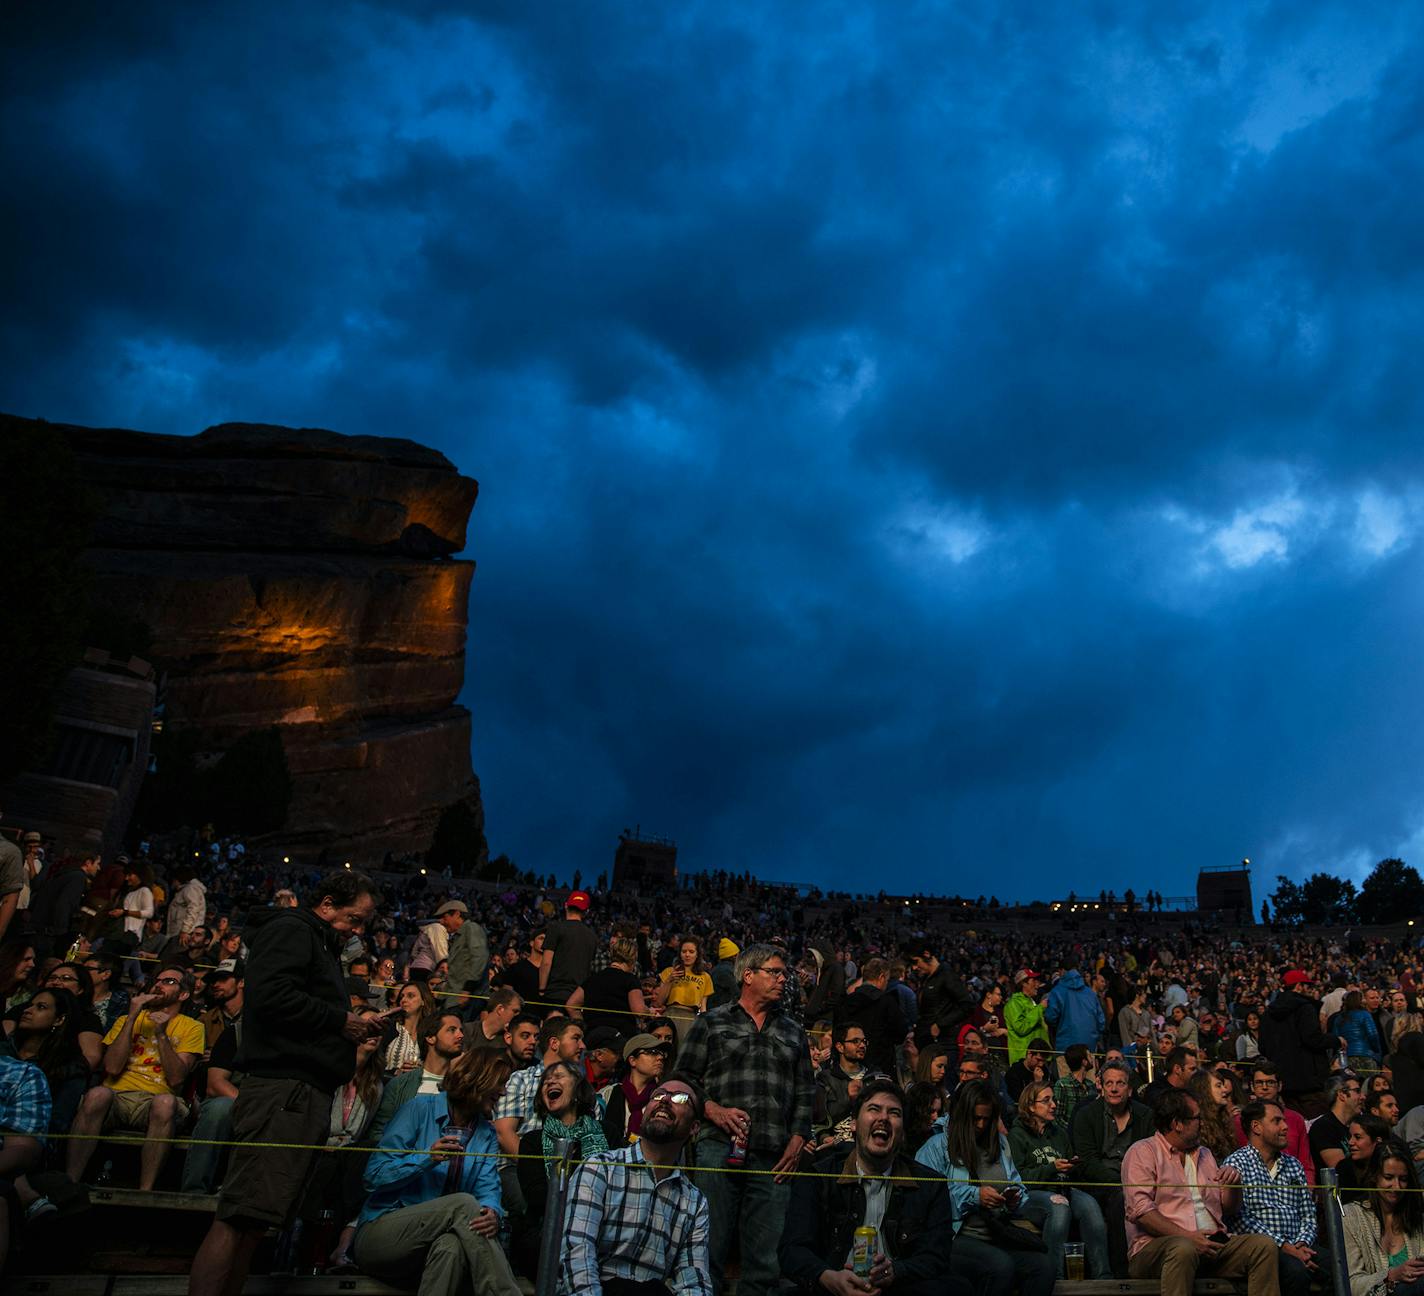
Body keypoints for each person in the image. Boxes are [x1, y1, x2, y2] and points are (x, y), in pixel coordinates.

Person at [188, 869, 383, 1296]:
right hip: (281, 1090)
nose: (358, 930)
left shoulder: (322, 944)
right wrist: (341, 1021)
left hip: (302, 1094)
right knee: (238, 1216)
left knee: (256, 1222)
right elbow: (273, 995)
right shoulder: (293, 930)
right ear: (327, 904)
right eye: (355, 918)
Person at [673, 943, 814, 1296]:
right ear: (748, 975)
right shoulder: (712, 1021)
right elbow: (683, 1080)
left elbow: (805, 1094)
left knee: (765, 1264)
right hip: (718, 1148)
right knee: (707, 1250)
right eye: (775, 971)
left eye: (785, 973)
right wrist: (712, 1110)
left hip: (775, 1155)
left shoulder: (794, 1032)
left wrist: (797, 1139)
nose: (784, 979)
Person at [353, 1049, 521, 1296]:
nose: (504, 1092)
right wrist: (425, 1159)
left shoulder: (485, 1133)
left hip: (427, 1249)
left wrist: (491, 1212)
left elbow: (488, 1188)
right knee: (463, 1204)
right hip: (381, 1237)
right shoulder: (419, 1109)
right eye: (500, 1083)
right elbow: (373, 1176)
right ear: (479, 1079)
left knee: (451, 1246)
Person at [781, 1077, 968, 1296]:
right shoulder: (819, 1176)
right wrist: (828, 1277)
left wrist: (897, 1271)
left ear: (903, 1131)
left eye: (894, 1113)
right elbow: (792, 1250)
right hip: (832, 1287)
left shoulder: (931, 1184)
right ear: (853, 1123)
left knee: (958, 1288)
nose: (883, 1118)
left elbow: (936, 1256)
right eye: (874, 1109)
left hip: (899, 1287)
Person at [560, 1078, 711, 1296]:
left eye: (680, 1098)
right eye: (658, 1095)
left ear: (694, 1127)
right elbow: (577, 1252)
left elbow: (694, 1281)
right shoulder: (600, 1169)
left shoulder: (694, 1202)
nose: (665, 1100)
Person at [1122, 1089, 1278, 1296]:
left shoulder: (1205, 1154)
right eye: (1197, 1118)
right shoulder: (1142, 1152)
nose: (1202, 1122)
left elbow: (1229, 1208)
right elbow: (1141, 1211)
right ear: (1177, 1123)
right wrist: (1188, 1237)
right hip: (1155, 1249)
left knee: (1263, 1246)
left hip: (1212, 1244)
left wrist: (1234, 1184)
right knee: (1183, 1249)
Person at [66, 965, 203, 1190]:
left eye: (169, 982)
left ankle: (145, 1191)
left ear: (184, 994)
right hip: (116, 1097)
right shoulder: (125, 1019)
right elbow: (111, 1067)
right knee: (97, 1094)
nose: (158, 984)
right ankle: (70, 1182)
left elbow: (177, 1079)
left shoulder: (192, 1027)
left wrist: (161, 1033)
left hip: (156, 1101)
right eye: (157, 980)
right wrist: (131, 1018)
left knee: (165, 1103)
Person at [915, 1079, 1055, 1296]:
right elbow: (926, 1202)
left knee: (1042, 1267)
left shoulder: (999, 1144)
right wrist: (974, 1196)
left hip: (996, 1234)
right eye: (976, 1118)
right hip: (954, 1237)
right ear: (962, 1116)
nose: (980, 1125)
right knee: (1000, 1267)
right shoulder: (936, 1147)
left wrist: (1014, 1199)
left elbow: (1018, 1185)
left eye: (986, 1119)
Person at [513, 1061, 609, 1275]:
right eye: (545, 1081)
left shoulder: (607, 1133)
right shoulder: (532, 1141)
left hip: (601, 1228)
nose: (550, 1082)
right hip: (548, 1232)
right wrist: (588, 1197)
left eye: (558, 1076)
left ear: (578, 1088)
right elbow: (537, 1196)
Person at [1009, 1080, 1110, 1278]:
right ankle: (1054, 1277)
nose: (1054, 1104)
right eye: (1046, 1100)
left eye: (1053, 1099)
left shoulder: (1059, 1134)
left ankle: (1103, 1277)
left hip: (1062, 1187)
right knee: (1060, 1207)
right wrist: (1051, 1168)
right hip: (1031, 1194)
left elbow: (1070, 1170)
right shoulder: (1017, 1135)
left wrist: (1072, 1166)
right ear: (1030, 1105)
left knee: (1091, 1205)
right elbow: (1019, 1178)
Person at [1223, 1099, 1318, 1296]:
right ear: (1256, 1127)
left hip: (1300, 1245)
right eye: (1277, 1121)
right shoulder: (1236, 1164)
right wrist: (1285, 1246)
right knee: (1296, 1272)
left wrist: (1301, 1244)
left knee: (1339, 1266)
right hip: (1265, 1250)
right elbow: (1239, 1220)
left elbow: (1308, 1214)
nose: (1285, 1127)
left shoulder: (1293, 1165)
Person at [1070, 1058, 1154, 1278]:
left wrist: (1133, 1183)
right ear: (1101, 1086)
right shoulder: (1086, 1115)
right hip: (1099, 1183)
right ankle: (1121, 1273)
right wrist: (1122, 1185)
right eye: (1109, 1083)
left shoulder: (1145, 1115)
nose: (1114, 1088)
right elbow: (1087, 1162)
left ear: (1130, 1089)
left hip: (1138, 1180)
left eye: (1120, 1083)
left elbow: (1151, 1156)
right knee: (1119, 1198)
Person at [368, 1011, 467, 1145]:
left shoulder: (462, 1087)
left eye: (461, 1030)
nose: (460, 1035)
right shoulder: (400, 1085)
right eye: (452, 1030)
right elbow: (378, 1132)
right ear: (430, 1038)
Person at [1, 987, 89, 1132]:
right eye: (29, 1005)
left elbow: (58, 1121)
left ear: (59, 1019)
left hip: (32, 1137)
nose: (27, 1010)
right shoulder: (4, 1049)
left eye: (40, 1007)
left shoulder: (70, 1067)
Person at [1341, 1143, 1424, 1294]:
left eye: (1403, 1179)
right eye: (1388, 1177)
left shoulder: (1417, 1218)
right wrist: (1391, 1276)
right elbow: (1351, 1284)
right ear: (1374, 1177)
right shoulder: (1351, 1217)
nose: (1396, 1186)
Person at [1259, 970, 1343, 1117]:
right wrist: (1336, 1040)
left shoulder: (1268, 1013)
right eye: (1306, 986)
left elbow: (1263, 1047)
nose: (1309, 990)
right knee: (1316, 1124)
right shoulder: (1305, 1008)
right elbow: (1312, 1039)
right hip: (1309, 1080)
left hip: (1284, 1082)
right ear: (1298, 986)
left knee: (1293, 1123)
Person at [1236, 1062, 1315, 1185]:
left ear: (1279, 1086)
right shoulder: (1240, 1120)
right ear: (1251, 1086)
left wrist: (1308, 1187)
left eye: (1270, 1082)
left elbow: (1306, 1162)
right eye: (1259, 1083)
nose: (1265, 1087)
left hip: (1293, 1185)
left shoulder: (1296, 1119)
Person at [836, 957, 909, 1077]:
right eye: (887, 980)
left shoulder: (845, 1002)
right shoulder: (887, 1003)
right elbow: (901, 1033)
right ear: (881, 977)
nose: (887, 984)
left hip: (849, 1068)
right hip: (880, 1069)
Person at [570, 936, 650, 1036]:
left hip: (593, 1036)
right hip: (620, 1037)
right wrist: (649, 1011)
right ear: (632, 958)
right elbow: (639, 1010)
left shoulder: (592, 979)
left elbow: (571, 1005)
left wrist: (582, 1025)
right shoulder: (630, 979)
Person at [601, 1033, 667, 1146]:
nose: (660, 1057)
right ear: (632, 1060)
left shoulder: (663, 1098)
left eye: (662, 1054)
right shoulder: (607, 1094)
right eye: (652, 1052)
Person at [540, 891, 598, 1014]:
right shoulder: (592, 936)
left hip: (555, 993)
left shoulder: (556, 928)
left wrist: (541, 989)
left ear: (566, 905)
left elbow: (546, 962)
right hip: (578, 997)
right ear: (586, 911)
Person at [906, 945, 973, 1049]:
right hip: (926, 1040)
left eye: (916, 962)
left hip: (941, 1043)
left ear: (927, 954)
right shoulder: (926, 978)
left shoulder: (947, 975)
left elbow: (967, 1005)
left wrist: (940, 1025)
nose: (914, 967)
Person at [654, 936, 714, 1046]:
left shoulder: (705, 977)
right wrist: (669, 980)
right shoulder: (670, 971)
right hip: (669, 1015)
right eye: (684, 951)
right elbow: (659, 1002)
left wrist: (704, 1025)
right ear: (679, 953)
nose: (687, 955)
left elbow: (703, 1007)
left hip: (690, 1018)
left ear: (697, 955)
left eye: (691, 951)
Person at [1310, 1072, 1365, 1174]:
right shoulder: (1323, 1127)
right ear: (1342, 1095)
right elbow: (1341, 1170)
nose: (1363, 1097)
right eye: (1357, 1091)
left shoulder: (1355, 1126)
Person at [1044, 962, 1105, 1054]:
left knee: (1066, 1068)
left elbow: (1050, 1017)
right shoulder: (1090, 993)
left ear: (1062, 971)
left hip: (1066, 1047)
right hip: (1089, 1046)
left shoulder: (1057, 991)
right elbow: (1101, 1022)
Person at [817, 1022, 869, 1131]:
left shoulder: (873, 1077)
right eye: (855, 1041)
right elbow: (822, 1119)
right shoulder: (826, 1078)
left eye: (864, 1041)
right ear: (840, 1047)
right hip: (836, 1142)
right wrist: (849, 1099)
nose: (862, 1045)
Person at [408, 900, 468, 983]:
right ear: (456, 914)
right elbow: (442, 955)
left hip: (423, 969)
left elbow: (414, 953)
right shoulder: (437, 928)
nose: (460, 925)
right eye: (461, 921)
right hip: (424, 971)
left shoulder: (436, 928)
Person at [1186, 1068, 1238, 1163]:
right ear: (1204, 1089)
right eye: (1219, 1086)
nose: (1225, 1090)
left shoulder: (1223, 1120)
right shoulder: (1195, 1124)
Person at [385, 982, 438, 1073]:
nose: (404, 1000)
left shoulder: (430, 1033)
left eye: (410, 996)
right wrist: (396, 1072)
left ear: (423, 1001)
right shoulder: (389, 1027)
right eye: (402, 997)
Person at [1339, 1114, 1393, 1198]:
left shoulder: (1393, 1167)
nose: (1350, 1142)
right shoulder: (1344, 1167)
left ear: (1378, 1142)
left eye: (1358, 1137)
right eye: (1350, 1137)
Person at [1005, 969, 1051, 1064]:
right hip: (1023, 1060)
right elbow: (1021, 1028)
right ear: (1024, 983)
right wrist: (1039, 1008)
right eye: (1033, 980)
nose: (1037, 984)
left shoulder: (1031, 1002)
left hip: (1038, 1057)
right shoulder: (1013, 1004)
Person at [445, 904, 489, 999]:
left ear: (457, 914)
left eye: (445, 918)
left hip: (465, 996)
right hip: (455, 995)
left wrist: (468, 988)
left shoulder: (471, 928)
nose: (441, 922)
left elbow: (479, 957)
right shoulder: (458, 937)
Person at [1335, 991, 1385, 1072]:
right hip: (1366, 1055)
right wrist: (1377, 1051)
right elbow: (1373, 1035)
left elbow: (1336, 1039)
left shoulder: (1339, 1018)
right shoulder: (1365, 1014)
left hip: (1347, 1058)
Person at [1051, 1043, 1095, 1129]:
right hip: (1069, 1137)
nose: (1092, 1059)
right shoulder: (1062, 1085)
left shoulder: (1090, 1085)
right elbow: (1057, 1118)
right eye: (1089, 1056)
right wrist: (1074, 1130)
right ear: (1084, 1062)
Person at [466, 987, 523, 1051]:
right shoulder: (467, 1031)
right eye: (515, 1011)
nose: (517, 1017)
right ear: (500, 1009)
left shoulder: (508, 1040)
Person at [167, 866, 207, 937]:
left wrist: (185, 930)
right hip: (182, 931)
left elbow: (193, 909)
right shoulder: (188, 889)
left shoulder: (190, 889)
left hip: (183, 933)